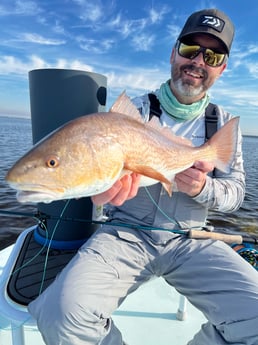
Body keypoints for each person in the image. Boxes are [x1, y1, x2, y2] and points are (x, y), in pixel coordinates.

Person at [28, 8, 258, 345]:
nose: (198, 61)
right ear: (173, 53)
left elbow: (236, 194)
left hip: (191, 239)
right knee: (61, 315)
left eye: (212, 55)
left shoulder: (223, 125)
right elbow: (98, 177)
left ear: (221, 68)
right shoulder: (131, 111)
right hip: (126, 233)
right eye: (190, 49)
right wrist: (100, 194)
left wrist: (204, 188)